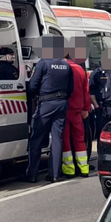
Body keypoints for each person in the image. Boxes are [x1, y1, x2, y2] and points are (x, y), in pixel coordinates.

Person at [24, 37, 72, 183]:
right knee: (57, 139)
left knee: (36, 138)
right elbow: (70, 88)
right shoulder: (65, 65)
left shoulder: (43, 63)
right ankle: (55, 174)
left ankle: (32, 174)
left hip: (45, 104)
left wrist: (32, 97)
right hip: (62, 103)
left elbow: (32, 85)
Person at [61, 41, 93, 177]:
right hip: (78, 111)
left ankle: (69, 170)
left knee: (65, 140)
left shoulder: (61, 68)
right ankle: (84, 168)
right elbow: (86, 92)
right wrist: (86, 108)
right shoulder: (80, 70)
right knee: (80, 139)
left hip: (64, 110)